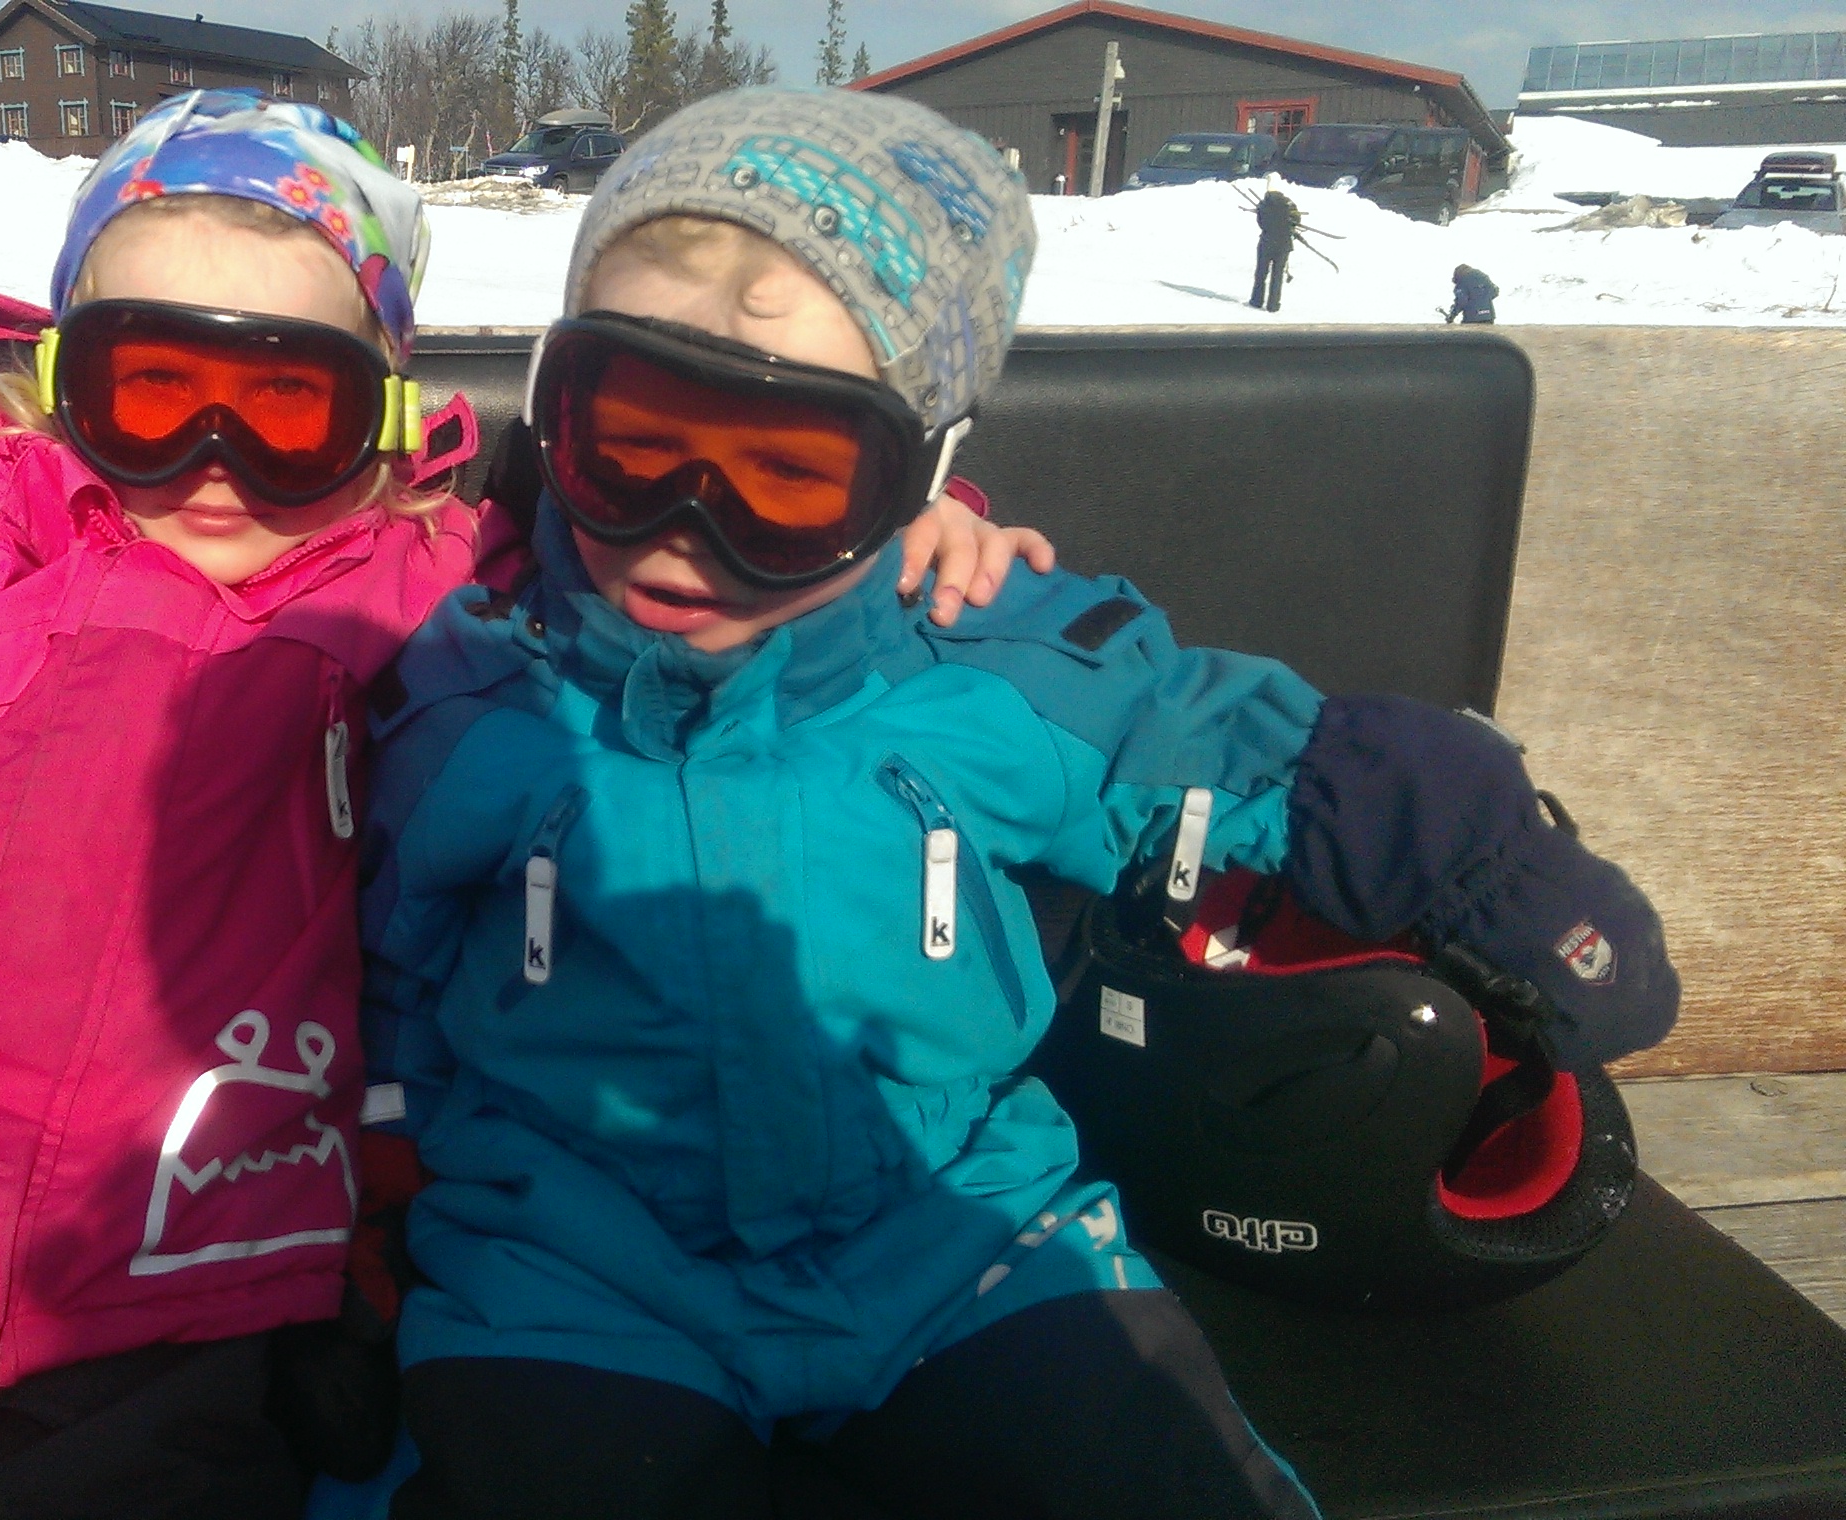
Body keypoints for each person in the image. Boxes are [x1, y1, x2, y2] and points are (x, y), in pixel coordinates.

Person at [0, 90, 1047, 1519]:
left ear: (381, 409)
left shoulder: (422, 600)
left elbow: (683, 532)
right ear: (61, 380)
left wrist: (878, 532)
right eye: (155, 395)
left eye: (290, 404)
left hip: (139, 1338)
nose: (219, 465)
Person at [359, 87, 1678, 1520]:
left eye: (791, 474)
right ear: (559, 406)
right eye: (632, 439)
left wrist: (1488, 871)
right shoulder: (481, 688)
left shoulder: (983, 659)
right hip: (579, 1269)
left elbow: (1230, 743)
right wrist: (362, 1177)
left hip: (956, 1232)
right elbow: (373, 951)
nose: (686, 526)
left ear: (914, 474)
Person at [1251, 183, 1300, 311]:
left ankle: (1256, 300)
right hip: (1283, 244)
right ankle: (1273, 305)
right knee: (1277, 275)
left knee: (1261, 273)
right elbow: (1296, 220)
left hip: (1266, 243)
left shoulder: (1263, 204)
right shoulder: (1289, 204)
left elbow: (1261, 223)